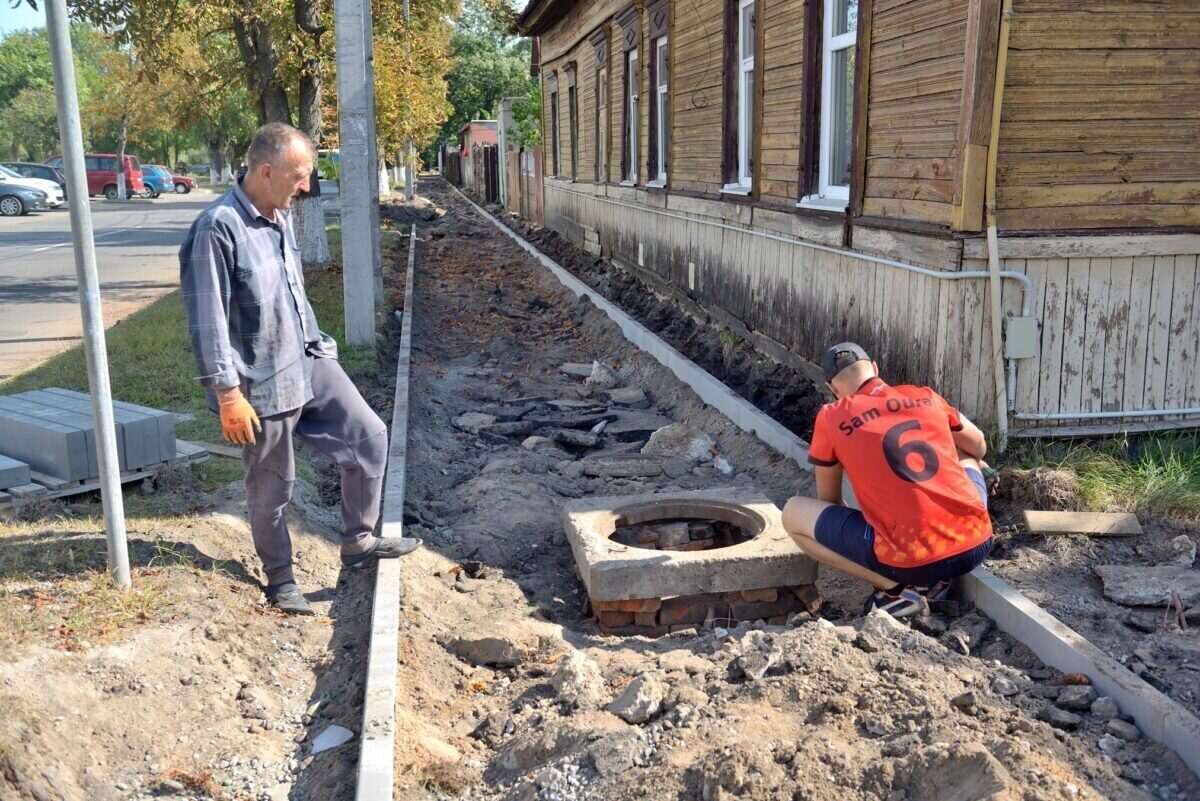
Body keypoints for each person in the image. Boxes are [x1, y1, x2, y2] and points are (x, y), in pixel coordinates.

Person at [179, 122, 420, 615]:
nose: (306, 186)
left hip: (305, 362)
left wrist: (321, 347)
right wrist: (228, 395)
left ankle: (358, 544)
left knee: (370, 437)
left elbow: (294, 293)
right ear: (266, 172)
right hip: (257, 385)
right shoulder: (217, 229)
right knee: (274, 485)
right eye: (299, 175)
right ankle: (280, 578)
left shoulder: (279, 217)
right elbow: (207, 321)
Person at [781, 342, 992, 618]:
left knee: (793, 514)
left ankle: (894, 591)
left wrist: (878, 527)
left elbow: (830, 501)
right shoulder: (925, 395)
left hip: (911, 563)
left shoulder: (832, 416)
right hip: (975, 545)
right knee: (968, 455)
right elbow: (978, 444)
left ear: (833, 389)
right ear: (876, 369)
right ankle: (939, 579)